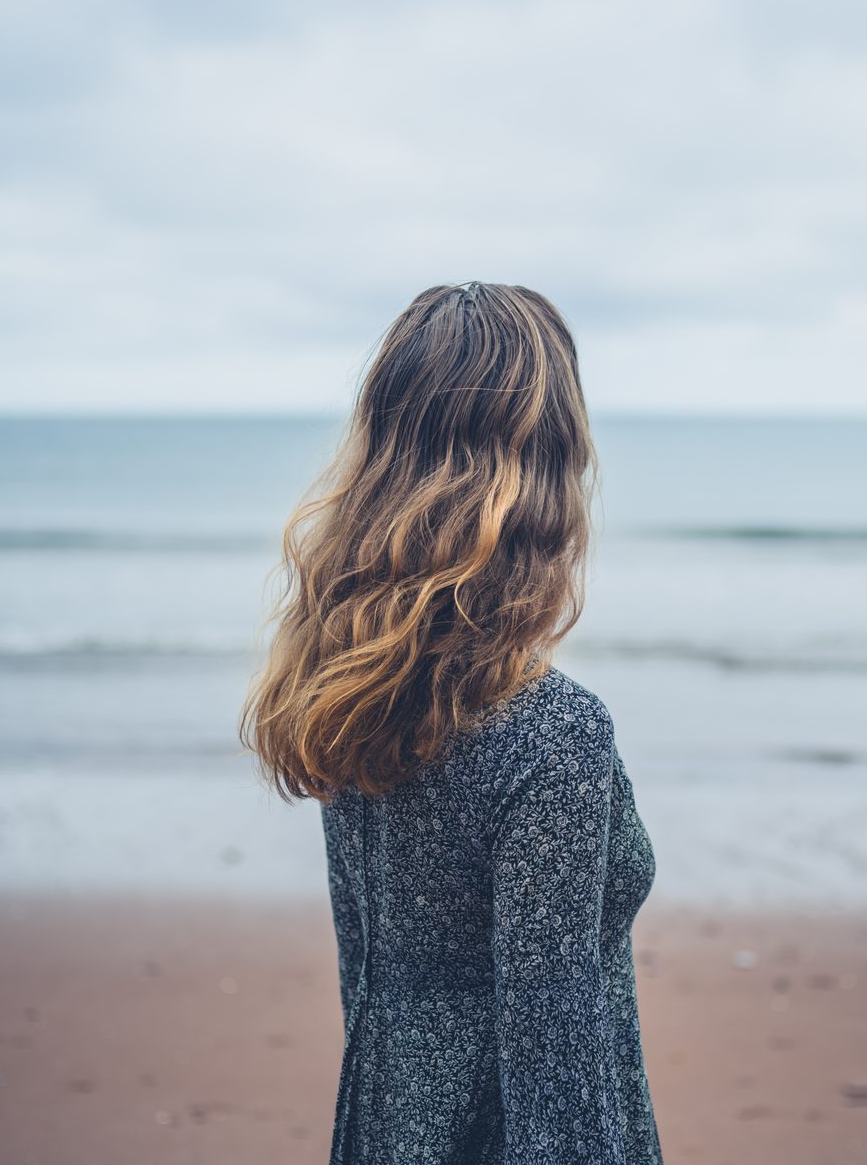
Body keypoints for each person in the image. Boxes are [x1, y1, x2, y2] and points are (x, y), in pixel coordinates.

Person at [239, 281, 664, 1164]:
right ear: (546, 474)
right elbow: (558, 1103)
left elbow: (376, 986)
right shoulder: (552, 737)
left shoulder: (354, 692)